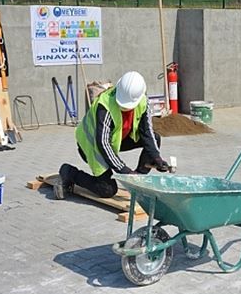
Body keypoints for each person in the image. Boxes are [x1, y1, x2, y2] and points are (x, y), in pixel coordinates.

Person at [55, 71, 169, 199]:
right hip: (92, 146)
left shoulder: (143, 101)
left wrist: (157, 158)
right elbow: (103, 144)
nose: (124, 107)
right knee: (107, 190)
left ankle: (138, 180)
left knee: (156, 138)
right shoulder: (105, 105)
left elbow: (147, 132)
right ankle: (69, 172)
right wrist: (125, 171)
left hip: (116, 139)